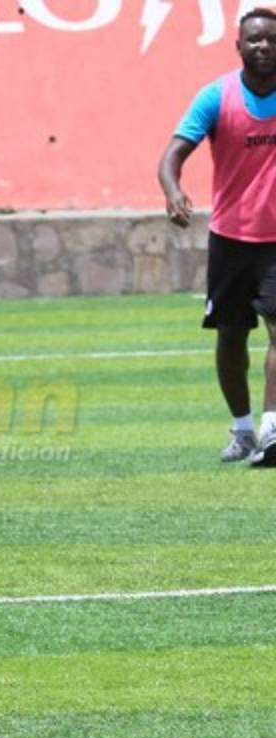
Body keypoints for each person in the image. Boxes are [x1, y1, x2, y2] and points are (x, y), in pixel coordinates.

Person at [160, 7, 276, 468]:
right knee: (231, 336)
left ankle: (272, 431)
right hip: (230, 239)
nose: (263, 47)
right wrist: (173, 192)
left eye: (271, 39)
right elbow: (171, 155)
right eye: (254, 40)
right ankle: (243, 429)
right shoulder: (216, 96)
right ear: (239, 46)